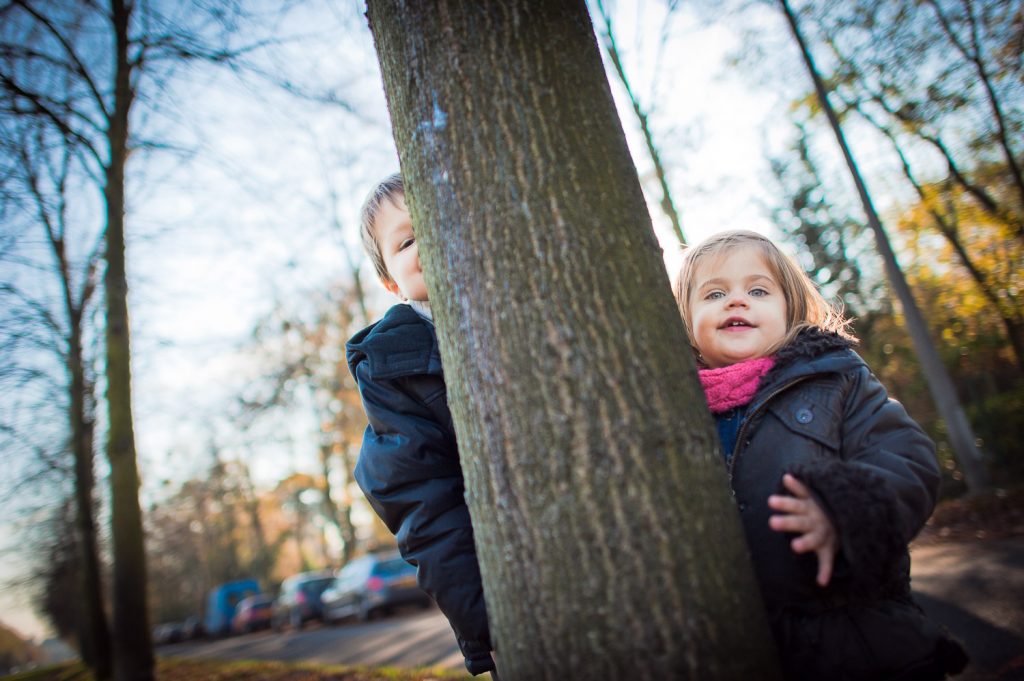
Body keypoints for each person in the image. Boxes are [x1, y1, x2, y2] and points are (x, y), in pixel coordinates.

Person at [673, 229, 967, 680]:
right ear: (686, 318)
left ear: (788, 306)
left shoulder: (836, 378)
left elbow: (909, 458)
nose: (736, 302)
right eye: (714, 293)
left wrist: (845, 511)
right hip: (748, 648)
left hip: (858, 637)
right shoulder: (676, 410)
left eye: (757, 290)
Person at [346, 173, 495, 677]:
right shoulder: (389, 364)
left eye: (438, 220)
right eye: (408, 240)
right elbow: (419, 502)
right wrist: (485, 620)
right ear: (391, 280)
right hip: (501, 574)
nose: (427, 239)